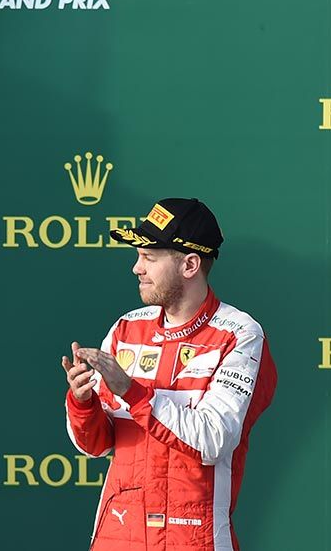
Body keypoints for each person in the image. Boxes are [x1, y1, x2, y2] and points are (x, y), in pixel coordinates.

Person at [62, 198, 276, 551]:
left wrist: (133, 393)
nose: (136, 268)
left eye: (149, 257)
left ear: (190, 264)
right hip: (118, 536)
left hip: (194, 537)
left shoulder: (239, 335)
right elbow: (97, 446)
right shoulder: (126, 329)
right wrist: (83, 403)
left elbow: (212, 439)